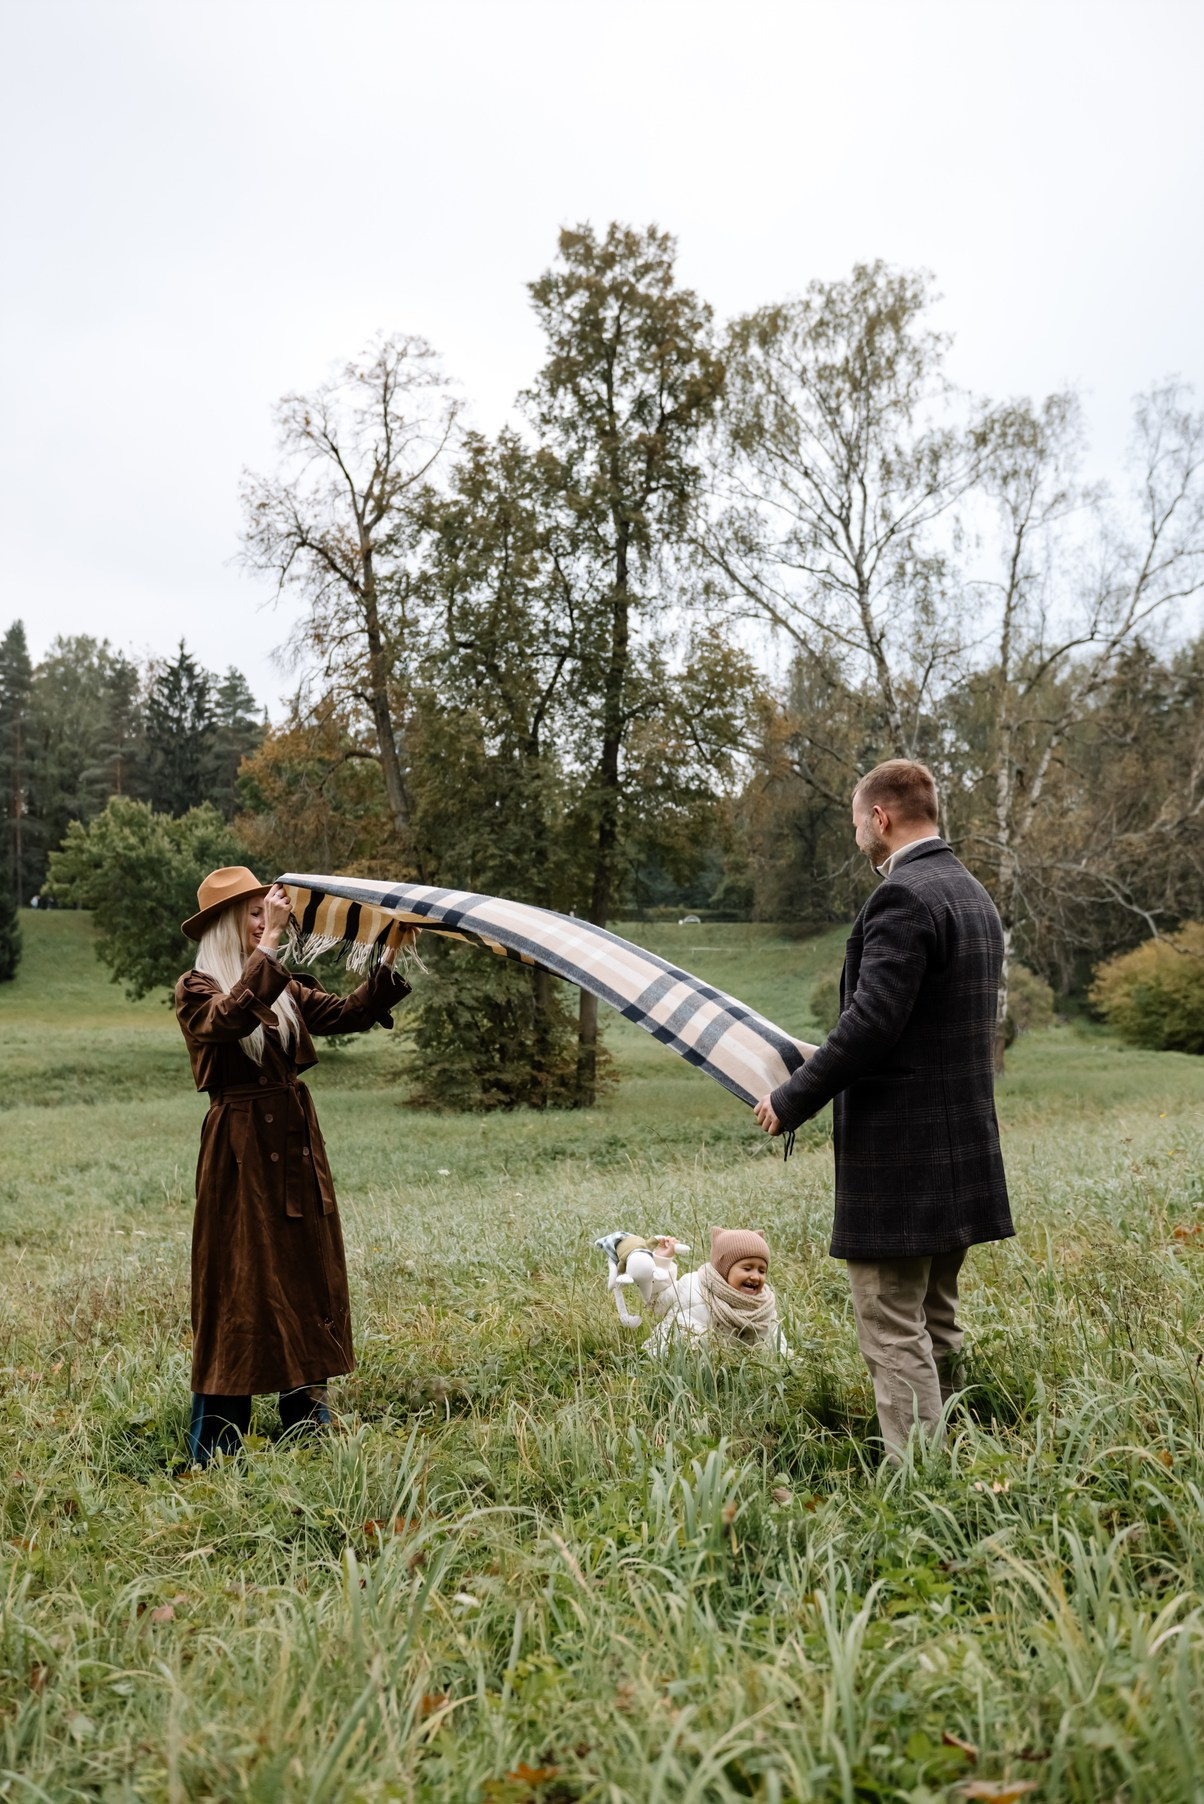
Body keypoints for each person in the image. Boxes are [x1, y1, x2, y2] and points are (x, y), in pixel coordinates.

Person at [753, 760, 1013, 1464]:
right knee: (936, 1317)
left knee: (892, 1325)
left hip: (903, 1159)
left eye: (855, 822)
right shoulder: (971, 892)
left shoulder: (902, 895)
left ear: (880, 817)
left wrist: (790, 1099)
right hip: (960, 1153)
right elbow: (916, 1024)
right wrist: (824, 1051)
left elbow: (872, 1023)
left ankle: (923, 1482)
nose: (857, 835)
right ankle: (961, 1453)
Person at [175, 866, 414, 1464]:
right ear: (228, 925)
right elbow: (227, 1022)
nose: (265, 920)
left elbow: (349, 1014)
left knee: (305, 1277)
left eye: (267, 911)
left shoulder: (280, 986)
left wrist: (388, 956)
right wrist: (272, 945)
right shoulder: (197, 988)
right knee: (239, 1285)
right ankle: (218, 1446)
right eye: (252, 914)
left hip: (296, 1146)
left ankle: (306, 1431)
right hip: (239, 1156)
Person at [646, 1228, 791, 1356]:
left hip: (725, 1376)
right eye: (747, 1268)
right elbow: (657, 1300)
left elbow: (776, 1345)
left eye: (762, 1270)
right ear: (723, 1269)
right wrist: (661, 1262)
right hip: (673, 1365)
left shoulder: (761, 1307)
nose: (755, 1276)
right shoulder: (691, 1285)